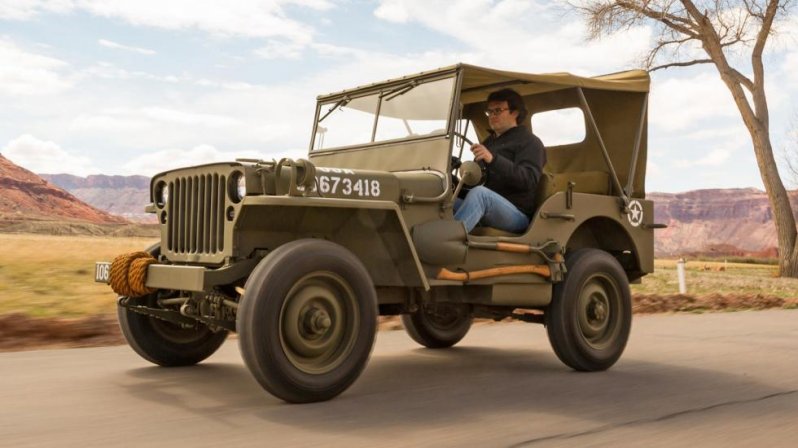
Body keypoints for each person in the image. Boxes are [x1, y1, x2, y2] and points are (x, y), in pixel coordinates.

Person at [454, 88, 546, 234]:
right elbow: (480, 181)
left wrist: (493, 160)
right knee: (445, 199)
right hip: (486, 207)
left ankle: (447, 239)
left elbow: (528, 180)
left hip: (517, 214)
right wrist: (456, 181)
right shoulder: (488, 143)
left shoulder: (530, 142)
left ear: (515, 112)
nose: (492, 116)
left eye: (497, 111)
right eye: (489, 112)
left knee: (480, 195)